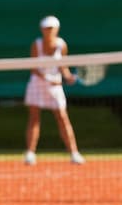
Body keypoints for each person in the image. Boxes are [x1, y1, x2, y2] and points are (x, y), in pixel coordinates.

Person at [23, 15, 85, 166]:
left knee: (63, 118)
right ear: (42, 30)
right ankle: (30, 154)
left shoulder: (61, 45)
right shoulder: (36, 45)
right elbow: (34, 69)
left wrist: (68, 76)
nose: (48, 31)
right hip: (37, 84)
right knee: (34, 118)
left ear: (56, 29)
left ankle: (74, 153)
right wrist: (49, 79)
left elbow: (63, 67)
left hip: (55, 87)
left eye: (51, 28)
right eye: (46, 28)